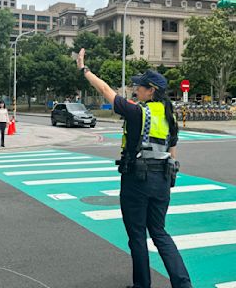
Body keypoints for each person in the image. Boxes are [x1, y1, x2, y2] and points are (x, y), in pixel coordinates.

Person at [75, 48, 192, 288]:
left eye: (139, 86)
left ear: (151, 90)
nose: (135, 89)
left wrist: (84, 69)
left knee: (137, 236)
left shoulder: (138, 111)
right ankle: (183, 284)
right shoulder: (169, 115)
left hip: (137, 180)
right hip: (162, 181)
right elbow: (173, 151)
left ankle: (142, 286)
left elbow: (106, 90)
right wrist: (168, 179)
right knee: (159, 233)